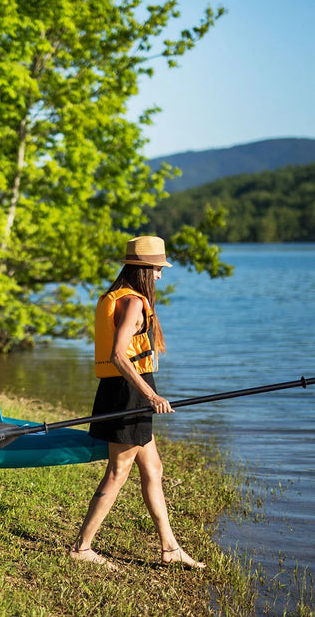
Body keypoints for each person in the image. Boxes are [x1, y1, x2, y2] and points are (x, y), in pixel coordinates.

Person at [69, 235, 206, 570]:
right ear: (143, 269)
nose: (160, 275)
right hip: (128, 392)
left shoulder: (115, 296)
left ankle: (169, 548)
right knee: (118, 471)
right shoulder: (132, 302)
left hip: (126, 389)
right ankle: (82, 548)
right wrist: (150, 396)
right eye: (157, 269)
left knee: (153, 468)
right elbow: (118, 355)